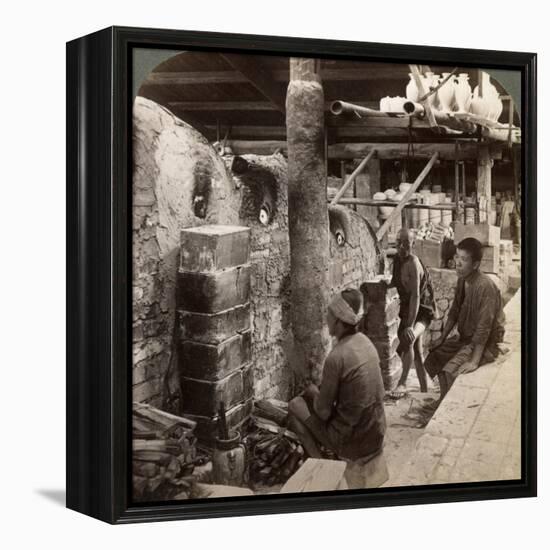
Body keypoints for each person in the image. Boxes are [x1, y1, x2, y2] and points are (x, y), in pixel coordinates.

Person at [288, 289, 386, 461]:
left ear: (339, 321)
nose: (327, 319)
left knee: (295, 406)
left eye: (329, 314)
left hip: (355, 442)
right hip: (376, 434)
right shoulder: (366, 342)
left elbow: (323, 413)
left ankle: (321, 463)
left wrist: (313, 392)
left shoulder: (336, 356)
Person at [425, 237, 506, 399]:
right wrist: (442, 338)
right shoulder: (463, 280)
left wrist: (474, 360)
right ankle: (443, 399)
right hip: (465, 339)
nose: (458, 263)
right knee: (434, 357)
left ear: (475, 265)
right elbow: (454, 311)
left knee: (450, 371)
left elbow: (484, 328)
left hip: (485, 344)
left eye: (464, 259)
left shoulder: (485, 287)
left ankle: (449, 406)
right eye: (457, 257)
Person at [390, 228, 436, 398]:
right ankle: (425, 392)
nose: (402, 247)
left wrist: (410, 325)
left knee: (409, 337)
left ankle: (402, 383)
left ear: (413, 244)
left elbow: (417, 296)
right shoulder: (397, 260)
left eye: (406, 244)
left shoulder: (413, 263)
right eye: (398, 243)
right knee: (418, 355)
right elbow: (394, 282)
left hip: (423, 310)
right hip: (408, 309)